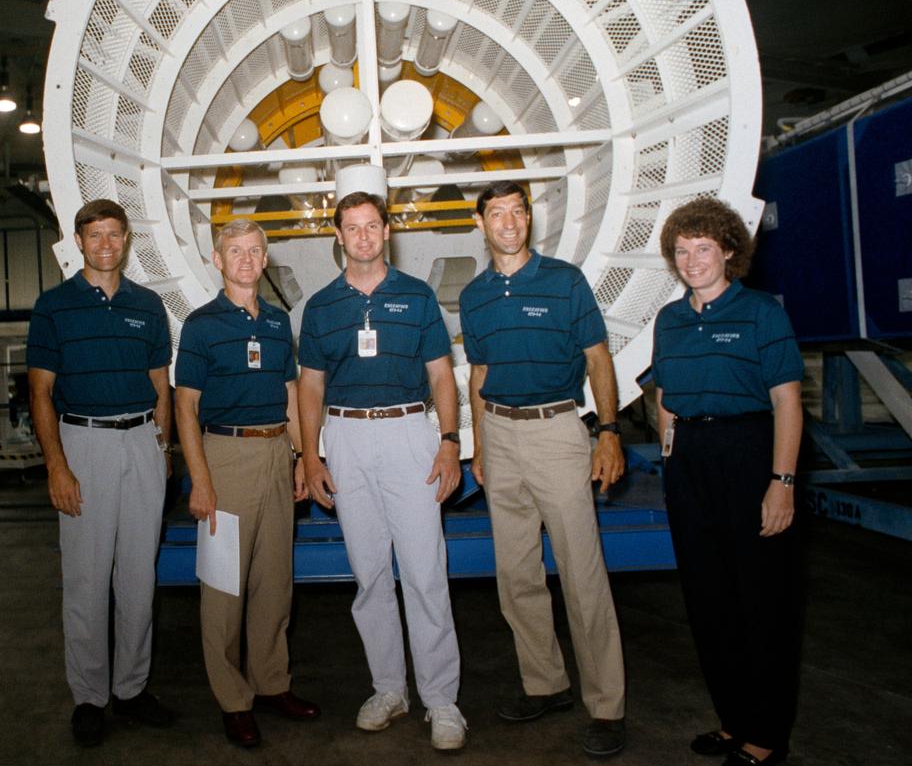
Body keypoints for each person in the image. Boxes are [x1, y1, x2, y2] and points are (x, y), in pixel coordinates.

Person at [459, 181, 628, 757]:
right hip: (500, 436)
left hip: (558, 430)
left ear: (529, 219)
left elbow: (597, 358)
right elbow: (477, 374)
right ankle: (545, 683)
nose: (509, 222)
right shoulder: (476, 295)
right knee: (518, 575)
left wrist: (608, 432)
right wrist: (479, 447)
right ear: (480, 223)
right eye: (497, 213)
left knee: (583, 574)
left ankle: (606, 706)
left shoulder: (564, 280)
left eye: (518, 211)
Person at [298, 186, 468, 751]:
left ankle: (442, 701)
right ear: (339, 237)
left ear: (387, 232)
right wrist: (311, 454)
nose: (363, 236)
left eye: (373, 226)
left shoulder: (417, 298)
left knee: (424, 572)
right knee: (369, 576)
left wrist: (449, 443)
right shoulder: (321, 307)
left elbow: (442, 376)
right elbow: (311, 387)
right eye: (353, 228)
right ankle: (390, 689)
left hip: (408, 434)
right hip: (345, 436)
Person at [652, 198, 804, 766]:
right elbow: (665, 398)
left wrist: (781, 481)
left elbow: (787, 402)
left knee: (762, 602)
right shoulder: (670, 319)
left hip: (748, 452)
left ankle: (765, 735)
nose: (691, 261)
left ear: (730, 252)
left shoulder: (762, 313)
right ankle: (733, 720)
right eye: (682, 250)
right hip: (690, 459)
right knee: (708, 599)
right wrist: (671, 458)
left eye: (704, 249)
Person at [26, 199, 176, 747]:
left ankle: (131, 690)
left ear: (127, 239)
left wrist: (161, 448)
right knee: (88, 581)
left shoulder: (147, 304)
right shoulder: (54, 306)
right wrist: (57, 467)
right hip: (83, 442)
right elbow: (40, 392)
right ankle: (89, 697)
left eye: (115, 234)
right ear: (80, 241)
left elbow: (161, 383)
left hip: (141, 442)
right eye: (96, 235)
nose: (106, 244)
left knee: (139, 578)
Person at [174, 219, 321, 748]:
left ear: (264, 260)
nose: (244, 259)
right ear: (218, 260)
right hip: (226, 454)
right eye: (233, 251)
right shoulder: (200, 326)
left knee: (274, 582)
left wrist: (304, 458)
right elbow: (185, 408)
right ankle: (233, 700)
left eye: (253, 251)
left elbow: (289, 393)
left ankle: (271, 683)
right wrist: (201, 481)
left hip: (276, 452)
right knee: (223, 589)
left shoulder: (280, 324)